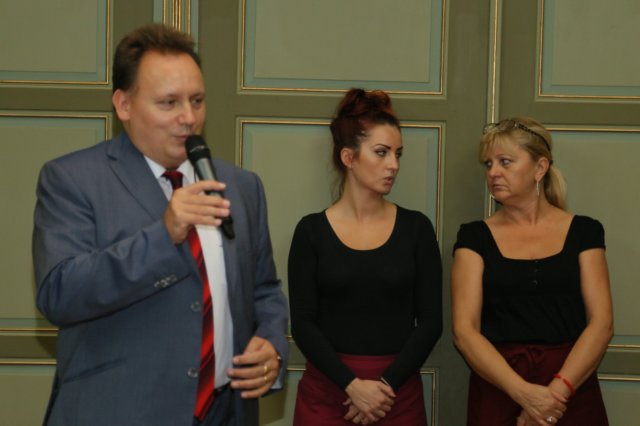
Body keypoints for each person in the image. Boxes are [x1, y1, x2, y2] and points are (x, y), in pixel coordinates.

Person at [32, 24, 288, 426]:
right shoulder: (72, 179)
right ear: (124, 105)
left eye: (197, 100)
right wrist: (163, 236)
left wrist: (271, 344)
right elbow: (59, 295)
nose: (189, 118)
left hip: (226, 411)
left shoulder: (241, 186)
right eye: (169, 103)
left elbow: (264, 289)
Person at [288, 88, 443, 425]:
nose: (394, 165)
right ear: (348, 157)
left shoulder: (416, 228)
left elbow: (431, 321)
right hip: (328, 392)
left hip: (396, 396)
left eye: (398, 154)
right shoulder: (311, 231)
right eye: (381, 153)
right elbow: (302, 323)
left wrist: (384, 387)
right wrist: (352, 385)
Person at [451, 117, 613, 426]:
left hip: (571, 390)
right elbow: (465, 332)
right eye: (488, 164)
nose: (493, 173)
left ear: (540, 168)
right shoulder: (473, 237)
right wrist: (524, 394)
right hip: (500, 390)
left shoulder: (585, 232)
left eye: (505, 162)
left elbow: (602, 324)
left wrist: (555, 394)